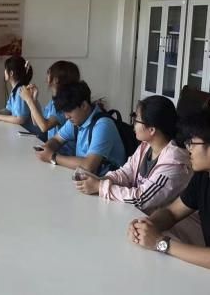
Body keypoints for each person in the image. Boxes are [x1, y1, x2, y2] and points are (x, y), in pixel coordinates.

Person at [74, 95, 192, 213]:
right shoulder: (146, 146)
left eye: (136, 120)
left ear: (151, 130)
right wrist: (103, 180)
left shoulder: (174, 163)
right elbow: (126, 172)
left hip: (162, 222)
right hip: (140, 216)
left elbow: (141, 199)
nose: (133, 123)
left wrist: (100, 187)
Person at [128, 109, 210, 268]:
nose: (188, 149)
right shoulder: (203, 176)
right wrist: (147, 225)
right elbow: (172, 212)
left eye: (192, 143)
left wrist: (161, 243)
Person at [35, 81, 126, 176]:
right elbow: (57, 140)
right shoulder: (76, 121)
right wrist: (46, 149)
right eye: (64, 112)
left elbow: (89, 166)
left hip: (106, 181)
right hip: (86, 178)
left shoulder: (103, 125)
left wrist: (53, 157)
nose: (66, 117)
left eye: (69, 111)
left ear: (84, 106)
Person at [20, 60, 80, 153]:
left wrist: (29, 100)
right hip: (53, 150)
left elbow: (44, 126)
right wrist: (33, 99)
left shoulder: (65, 104)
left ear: (56, 79)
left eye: (49, 73)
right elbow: (37, 122)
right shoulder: (54, 101)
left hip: (64, 154)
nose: (46, 76)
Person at [0, 56, 34, 130]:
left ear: (11, 73)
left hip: (28, 133)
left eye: (5, 69)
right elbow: (8, 110)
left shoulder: (21, 91)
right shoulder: (15, 90)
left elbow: (20, 119)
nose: (4, 72)